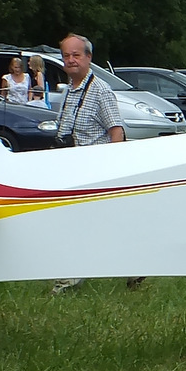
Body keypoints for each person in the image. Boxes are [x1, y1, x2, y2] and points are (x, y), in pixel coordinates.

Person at [51, 33, 128, 293]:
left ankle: (70, 279)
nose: (71, 60)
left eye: (76, 55)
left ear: (89, 57)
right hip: (70, 169)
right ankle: (136, 266)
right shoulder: (70, 90)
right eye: (66, 56)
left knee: (79, 225)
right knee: (96, 226)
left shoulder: (100, 91)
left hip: (94, 170)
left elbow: (116, 131)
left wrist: (115, 171)